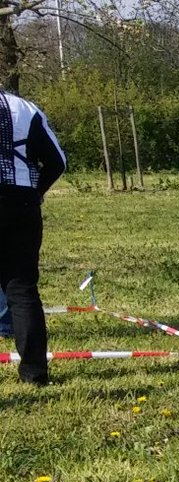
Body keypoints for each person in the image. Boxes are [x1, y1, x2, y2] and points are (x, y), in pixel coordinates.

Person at [2, 85, 65, 387]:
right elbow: (57, 162)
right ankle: (34, 374)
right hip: (20, 203)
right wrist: (36, 192)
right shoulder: (26, 109)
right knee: (22, 289)